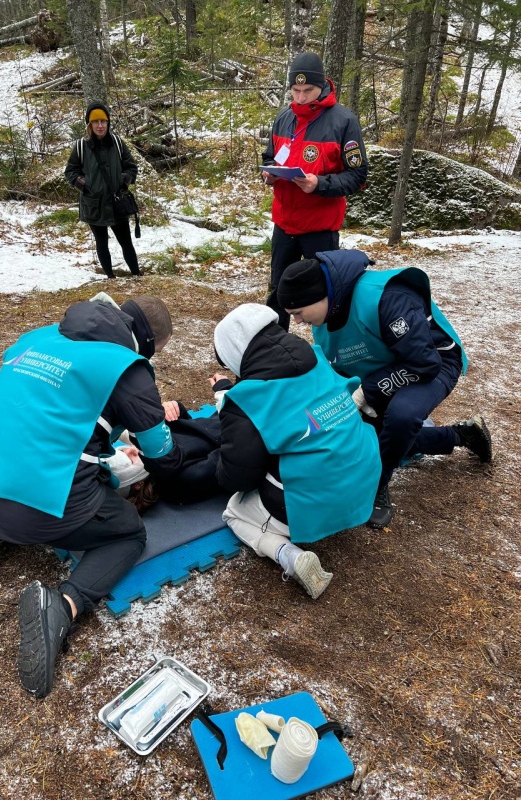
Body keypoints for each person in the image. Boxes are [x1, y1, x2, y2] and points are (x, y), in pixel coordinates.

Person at [0, 293, 198, 698]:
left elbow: (58, 417)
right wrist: (155, 467)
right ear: (149, 343)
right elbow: (160, 452)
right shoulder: (128, 368)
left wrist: (107, 446)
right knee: (129, 534)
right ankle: (64, 605)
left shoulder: (42, 337)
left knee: (23, 476)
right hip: (39, 509)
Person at [276, 249, 493, 528]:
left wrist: (368, 391)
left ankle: (378, 484)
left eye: (298, 312)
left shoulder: (385, 298)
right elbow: (339, 371)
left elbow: (423, 363)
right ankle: (463, 435)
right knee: (368, 435)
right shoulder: (324, 319)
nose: (297, 322)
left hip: (435, 361)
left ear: (320, 297)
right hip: (385, 365)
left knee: (402, 416)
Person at [211, 303, 382, 599]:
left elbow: (236, 477)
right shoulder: (315, 357)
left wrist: (225, 418)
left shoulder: (246, 400)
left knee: (233, 512)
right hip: (366, 476)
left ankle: (288, 555)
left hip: (323, 499)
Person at [261, 52, 367, 330]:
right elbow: (270, 155)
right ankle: (273, 347)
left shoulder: (343, 121)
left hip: (320, 228)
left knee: (325, 295)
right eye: (295, 90)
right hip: (284, 224)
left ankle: (331, 351)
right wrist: (269, 172)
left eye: (308, 90)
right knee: (278, 291)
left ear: (323, 86)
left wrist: (319, 184)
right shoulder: (284, 117)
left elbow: (357, 175)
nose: (301, 97)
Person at [64, 101, 141, 279]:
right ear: (89, 125)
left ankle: (137, 276)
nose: (100, 126)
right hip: (93, 204)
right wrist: (85, 185)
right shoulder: (81, 147)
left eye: (103, 122)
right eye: (96, 122)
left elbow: (131, 167)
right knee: (101, 242)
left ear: (108, 123)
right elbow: (70, 172)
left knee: (126, 242)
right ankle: (110, 279)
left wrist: (124, 181)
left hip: (116, 202)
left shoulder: (117, 143)